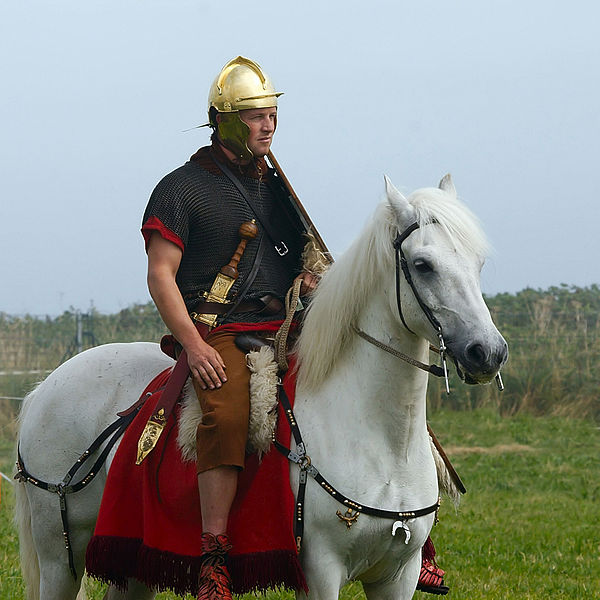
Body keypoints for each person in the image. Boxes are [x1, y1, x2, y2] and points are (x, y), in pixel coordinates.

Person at [141, 56, 316, 600]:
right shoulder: (181, 187)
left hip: (286, 325)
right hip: (220, 329)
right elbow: (160, 275)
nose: (268, 125)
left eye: (272, 114)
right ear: (225, 120)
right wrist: (193, 347)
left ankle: (411, 535)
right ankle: (213, 556)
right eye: (255, 116)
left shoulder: (279, 187)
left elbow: (300, 258)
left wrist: (310, 281)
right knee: (227, 405)